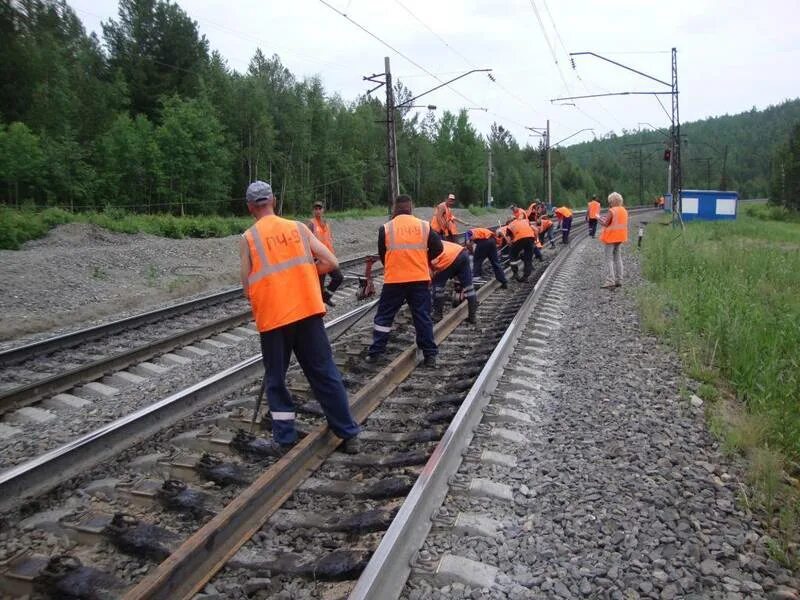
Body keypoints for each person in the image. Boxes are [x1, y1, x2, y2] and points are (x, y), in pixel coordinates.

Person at [239, 181, 361, 454]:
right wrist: (306, 274)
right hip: (307, 312)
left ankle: (285, 439)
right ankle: (348, 434)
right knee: (324, 372)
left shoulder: (248, 238)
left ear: (250, 208)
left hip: (274, 319)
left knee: (276, 379)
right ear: (274, 200)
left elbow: (247, 287)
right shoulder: (299, 228)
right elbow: (331, 262)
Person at [367, 194, 442, 367]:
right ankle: (430, 356)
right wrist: (423, 260)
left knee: (384, 317)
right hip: (419, 279)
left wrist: (394, 265)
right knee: (422, 317)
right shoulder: (424, 226)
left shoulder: (385, 228)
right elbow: (438, 248)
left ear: (395, 208)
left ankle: (375, 354)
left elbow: (383, 255)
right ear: (411, 208)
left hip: (395, 280)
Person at [431, 240, 478, 324]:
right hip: (462, 252)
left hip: (448, 257)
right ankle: (472, 317)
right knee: (469, 287)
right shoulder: (433, 240)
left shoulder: (422, 248)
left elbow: (430, 268)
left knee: (438, 286)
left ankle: (437, 315)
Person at [308, 200, 343, 307]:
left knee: (338, 277)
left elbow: (329, 240)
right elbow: (306, 242)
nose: (318, 211)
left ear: (323, 210)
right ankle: (319, 307)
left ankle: (326, 297)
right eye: (316, 209)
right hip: (318, 260)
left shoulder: (327, 224)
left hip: (328, 259)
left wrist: (332, 255)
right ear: (313, 211)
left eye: (320, 208)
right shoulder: (310, 224)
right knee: (319, 285)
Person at [598, 191, 629, 289]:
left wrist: (599, 219)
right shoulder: (624, 210)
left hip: (611, 237)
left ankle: (610, 280)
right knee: (618, 258)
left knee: (609, 259)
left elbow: (606, 223)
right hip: (620, 237)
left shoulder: (612, 211)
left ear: (612, 201)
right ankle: (619, 280)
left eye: (610, 202)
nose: (609, 203)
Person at [506, 216, 542, 282]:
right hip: (530, 238)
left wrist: (513, 247)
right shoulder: (525, 221)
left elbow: (508, 241)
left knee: (512, 256)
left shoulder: (510, 226)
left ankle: (515, 273)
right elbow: (536, 230)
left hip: (519, 239)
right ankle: (526, 277)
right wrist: (535, 240)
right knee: (528, 258)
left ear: (509, 221)